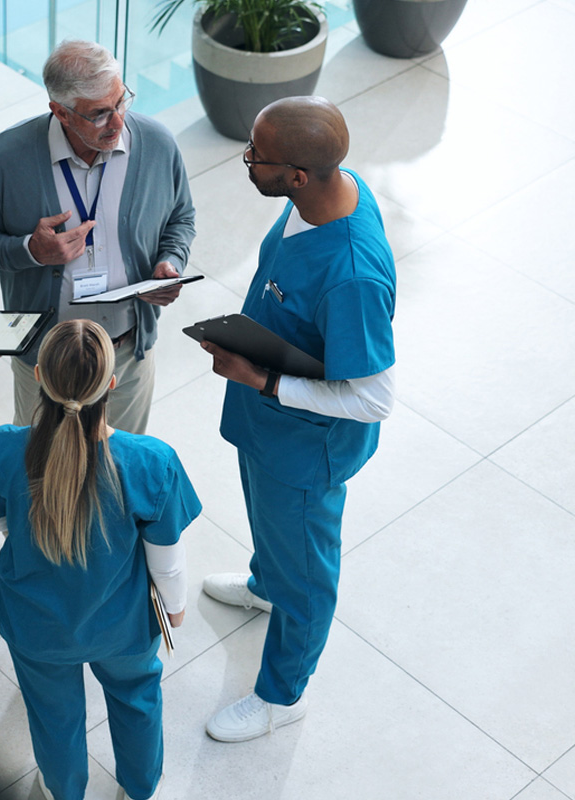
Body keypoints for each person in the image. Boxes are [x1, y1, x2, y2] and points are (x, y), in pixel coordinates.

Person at [198, 97, 397, 742]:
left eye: (257, 156)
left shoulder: (354, 274)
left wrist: (265, 380)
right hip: (266, 419)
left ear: (299, 177)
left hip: (304, 448)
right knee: (267, 525)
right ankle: (265, 584)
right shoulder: (321, 194)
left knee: (307, 577)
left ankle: (283, 695)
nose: (247, 161)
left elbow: (373, 398)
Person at [0, 320, 201, 800]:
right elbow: (167, 560)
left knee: (54, 716)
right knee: (137, 702)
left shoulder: (2, 447)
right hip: (124, 627)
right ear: (112, 384)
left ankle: (64, 791)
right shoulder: (152, 460)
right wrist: (173, 608)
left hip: (38, 627)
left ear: (40, 376)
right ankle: (140, 787)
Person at [0, 39, 195, 435]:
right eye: (99, 114)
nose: (117, 122)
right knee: (40, 471)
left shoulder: (155, 143)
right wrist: (30, 251)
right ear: (60, 113)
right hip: (43, 358)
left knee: (119, 470)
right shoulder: (7, 155)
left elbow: (181, 216)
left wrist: (170, 261)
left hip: (127, 355)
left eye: (121, 102)